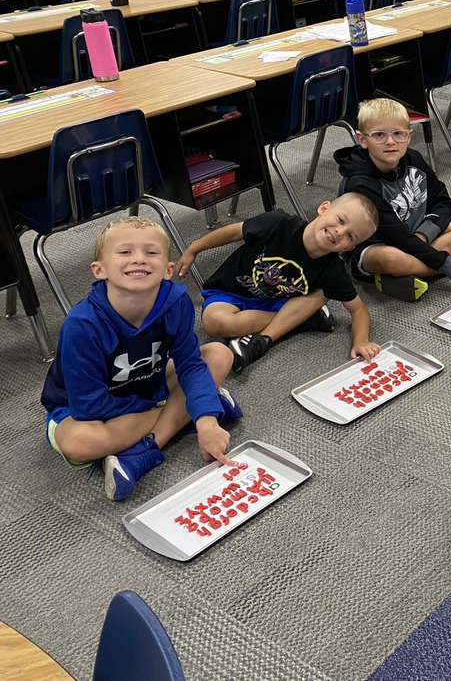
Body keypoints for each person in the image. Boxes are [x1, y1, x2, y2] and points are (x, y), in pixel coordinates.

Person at [42, 217, 239, 501]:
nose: (139, 260)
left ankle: (148, 447)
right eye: (125, 252)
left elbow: (190, 364)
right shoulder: (81, 325)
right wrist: (192, 409)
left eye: (151, 252)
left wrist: (206, 421)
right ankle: (183, 414)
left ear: (168, 270)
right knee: (78, 442)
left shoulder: (177, 302)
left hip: (149, 384)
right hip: (86, 408)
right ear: (100, 270)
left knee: (218, 355)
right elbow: (89, 407)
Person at [179, 193, 382, 373]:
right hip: (232, 291)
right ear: (324, 208)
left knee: (325, 291)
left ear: (350, 247)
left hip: (280, 300)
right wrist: (194, 249)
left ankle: (269, 336)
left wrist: (361, 340)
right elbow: (234, 232)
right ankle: (301, 320)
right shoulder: (278, 223)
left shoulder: (332, 269)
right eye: (340, 220)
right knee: (215, 323)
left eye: (349, 235)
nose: (339, 232)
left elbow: (359, 310)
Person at [333, 98, 451, 303]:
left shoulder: (414, 158)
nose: (390, 141)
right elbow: (395, 236)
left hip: (418, 234)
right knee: (392, 258)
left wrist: (423, 235)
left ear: (409, 136)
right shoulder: (360, 183)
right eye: (379, 135)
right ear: (362, 139)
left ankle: (409, 273)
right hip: (380, 246)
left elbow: (444, 202)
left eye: (398, 133)